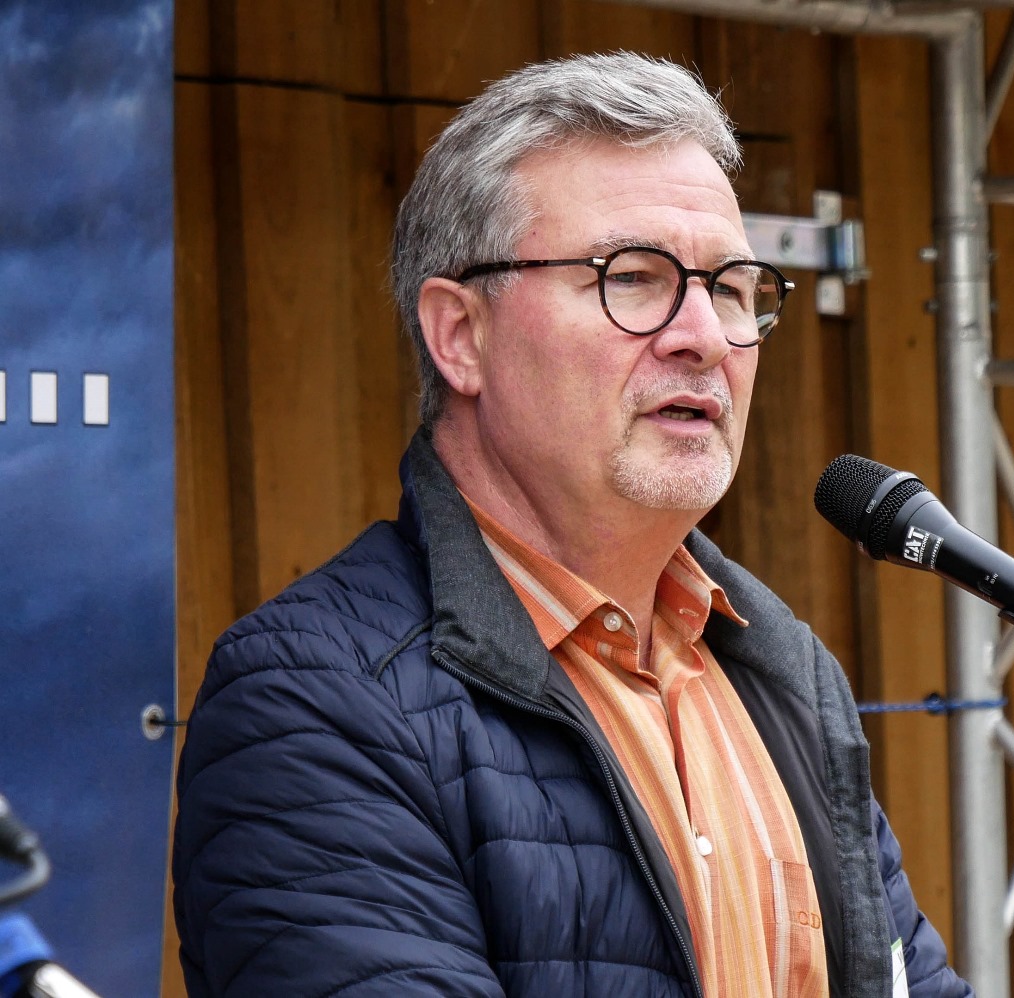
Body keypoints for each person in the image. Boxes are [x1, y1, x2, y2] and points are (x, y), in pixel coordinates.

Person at [172, 51, 971, 998]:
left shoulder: (785, 671)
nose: (703, 337)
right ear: (461, 336)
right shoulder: (313, 700)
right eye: (632, 278)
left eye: (730, 287)